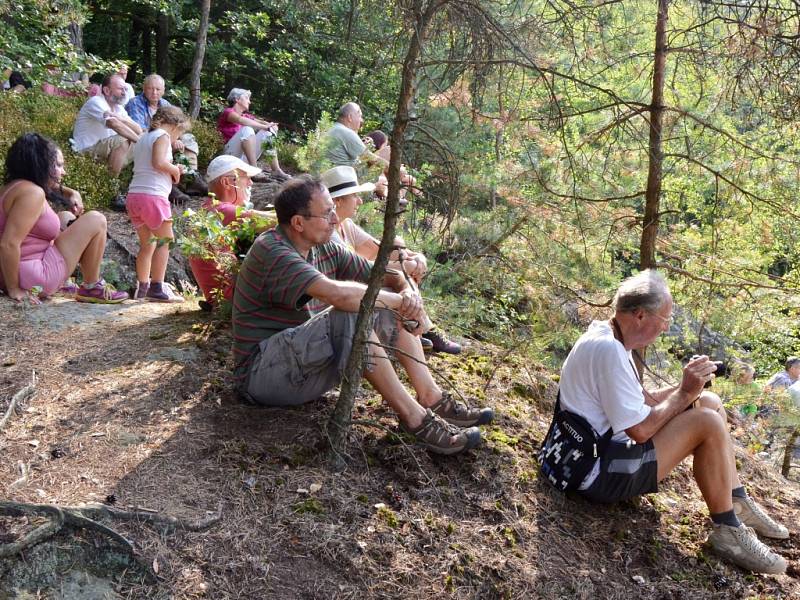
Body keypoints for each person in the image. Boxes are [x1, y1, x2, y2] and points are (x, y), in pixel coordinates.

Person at [232, 176, 493, 454]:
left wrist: (407, 291)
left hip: (304, 368)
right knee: (351, 311)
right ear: (298, 223)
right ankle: (417, 421)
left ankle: (432, 397)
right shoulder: (272, 250)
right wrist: (398, 301)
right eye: (327, 213)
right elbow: (338, 295)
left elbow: (383, 274)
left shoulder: (323, 244)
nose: (335, 219)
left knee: (381, 306)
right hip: (262, 376)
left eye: (334, 209)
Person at [551, 269, 788, 574]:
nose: (665, 328)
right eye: (664, 320)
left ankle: (735, 499)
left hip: (589, 454)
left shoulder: (607, 336)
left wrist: (690, 387)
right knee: (706, 421)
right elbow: (639, 431)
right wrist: (684, 393)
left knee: (709, 403)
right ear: (639, 315)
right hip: (596, 474)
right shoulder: (609, 350)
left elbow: (643, 402)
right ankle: (727, 530)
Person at [321, 165, 462, 354]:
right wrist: (407, 265)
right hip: (343, 300)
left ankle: (420, 330)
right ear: (337, 200)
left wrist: (415, 257)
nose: (360, 201)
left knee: (399, 249)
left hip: (357, 289)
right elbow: (360, 269)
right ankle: (421, 330)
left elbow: (382, 248)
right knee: (401, 277)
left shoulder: (345, 224)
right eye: (355, 196)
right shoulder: (327, 233)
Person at [0, 134, 127, 304]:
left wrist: (71, 193)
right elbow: (8, 243)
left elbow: (52, 190)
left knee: (65, 216)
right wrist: (14, 289)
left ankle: (66, 283)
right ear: (41, 164)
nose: (63, 171)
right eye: (58, 165)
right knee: (96, 219)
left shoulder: (12, 189)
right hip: (33, 277)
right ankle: (92, 287)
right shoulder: (32, 194)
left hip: (11, 273)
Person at [187, 155, 275, 309]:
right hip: (234, 299)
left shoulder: (208, 208)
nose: (251, 182)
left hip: (222, 298)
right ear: (227, 182)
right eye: (245, 177)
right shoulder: (223, 211)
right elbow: (277, 220)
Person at [126, 106, 188, 303]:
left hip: (135, 195)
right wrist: (176, 170)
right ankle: (157, 287)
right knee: (165, 241)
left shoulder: (144, 136)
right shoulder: (162, 135)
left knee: (148, 244)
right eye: (179, 133)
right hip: (153, 196)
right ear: (174, 126)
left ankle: (142, 287)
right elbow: (158, 162)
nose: (177, 138)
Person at [125, 73, 204, 198]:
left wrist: (176, 139)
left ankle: (191, 178)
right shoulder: (135, 103)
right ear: (144, 88)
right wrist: (170, 140)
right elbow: (141, 129)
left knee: (188, 139)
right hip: (148, 139)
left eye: (158, 89)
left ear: (163, 91)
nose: (154, 92)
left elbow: (177, 125)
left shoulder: (166, 104)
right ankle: (172, 187)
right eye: (151, 88)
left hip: (166, 137)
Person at [71, 73, 143, 176]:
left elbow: (138, 129)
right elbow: (114, 124)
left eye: (125, 89)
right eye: (121, 89)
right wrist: (141, 143)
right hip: (86, 151)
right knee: (122, 140)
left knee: (145, 135)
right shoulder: (96, 102)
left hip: (106, 151)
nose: (124, 93)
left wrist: (120, 117)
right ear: (107, 91)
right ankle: (111, 182)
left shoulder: (118, 108)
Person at [217, 88, 289, 180]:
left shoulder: (245, 116)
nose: (249, 102)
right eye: (247, 98)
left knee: (268, 133)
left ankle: (276, 170)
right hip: (230, 157)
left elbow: (261, 122)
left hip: (243, 159)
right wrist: (264, 126)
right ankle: (254, 170)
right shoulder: (228, 112)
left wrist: (271, 126)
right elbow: (241, 120)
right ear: (237, 99)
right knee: (247, 129)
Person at [325, 103, 389, 169]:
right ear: (350, 117)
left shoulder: (331, 128)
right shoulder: (347, 133)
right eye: (360, 116)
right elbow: (370, 158)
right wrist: (395, 168)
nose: (361, 120)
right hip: (342, 177)